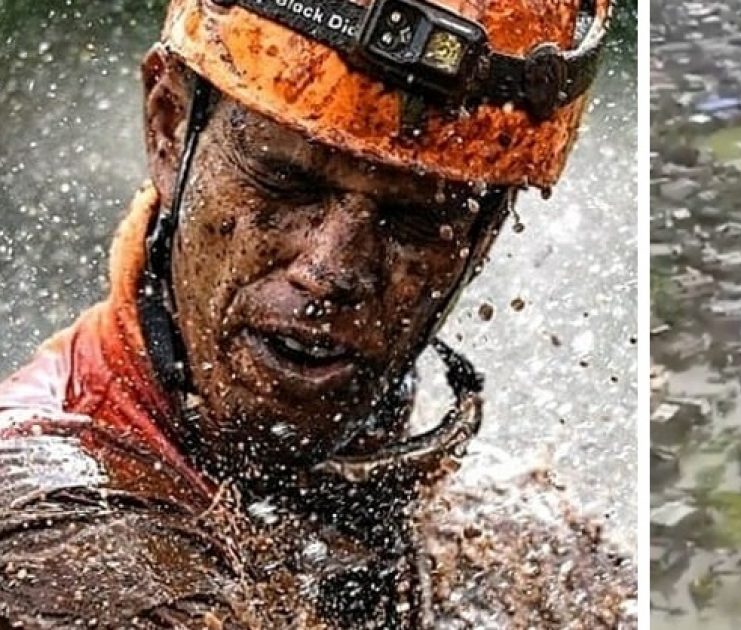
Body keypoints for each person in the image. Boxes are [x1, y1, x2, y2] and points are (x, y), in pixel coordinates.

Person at [0, 0, 634, 627]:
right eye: (284, 183)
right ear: (168, 128)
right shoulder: (48, 534)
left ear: (482, 235)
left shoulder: (520, 557)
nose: (331, 270)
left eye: (412, 220)